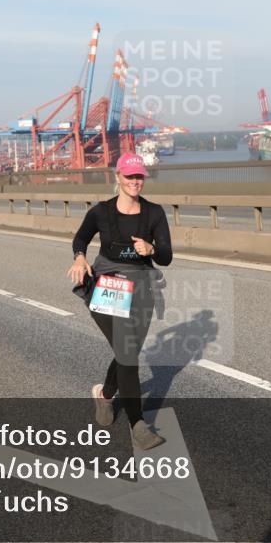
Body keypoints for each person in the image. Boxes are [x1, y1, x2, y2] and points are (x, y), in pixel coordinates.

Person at [67, 153, 173, 451]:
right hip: (108, 284)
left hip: (141, 287)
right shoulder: (101, 212)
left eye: (139, 176)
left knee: (129, 350)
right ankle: (138, 425)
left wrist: (151, 248)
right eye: (129, 177)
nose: (135, 182)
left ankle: (105, 394)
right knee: (127, 351)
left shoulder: (154, 213)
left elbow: (166, 256)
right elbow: (80, 239)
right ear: (118, 177)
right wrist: (79, 258)